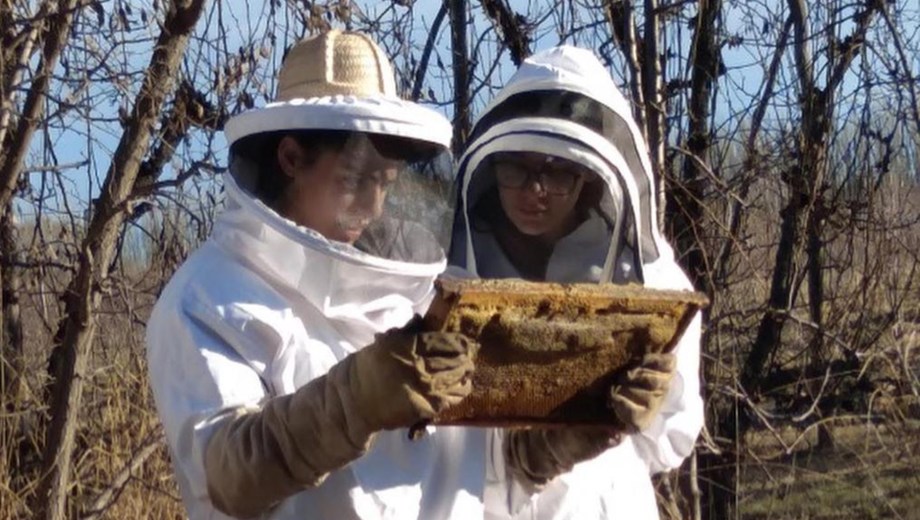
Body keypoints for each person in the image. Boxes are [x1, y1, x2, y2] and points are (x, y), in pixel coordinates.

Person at [146, 30, 485, 519]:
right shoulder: (207, 298)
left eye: (385, 184)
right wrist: (357, 400)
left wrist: (548, 448)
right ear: (290, 158)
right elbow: (228, 474)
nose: (372, 206)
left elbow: (463, 475)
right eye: (354, 179)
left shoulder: (412, 296)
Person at [449, 46, 705, 519]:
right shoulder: (454, 275)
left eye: (557, 172)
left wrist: (641, 406)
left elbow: (670, 439)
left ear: (589, 177)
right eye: (516, 168)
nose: (534, 190)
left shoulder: (655, 282)